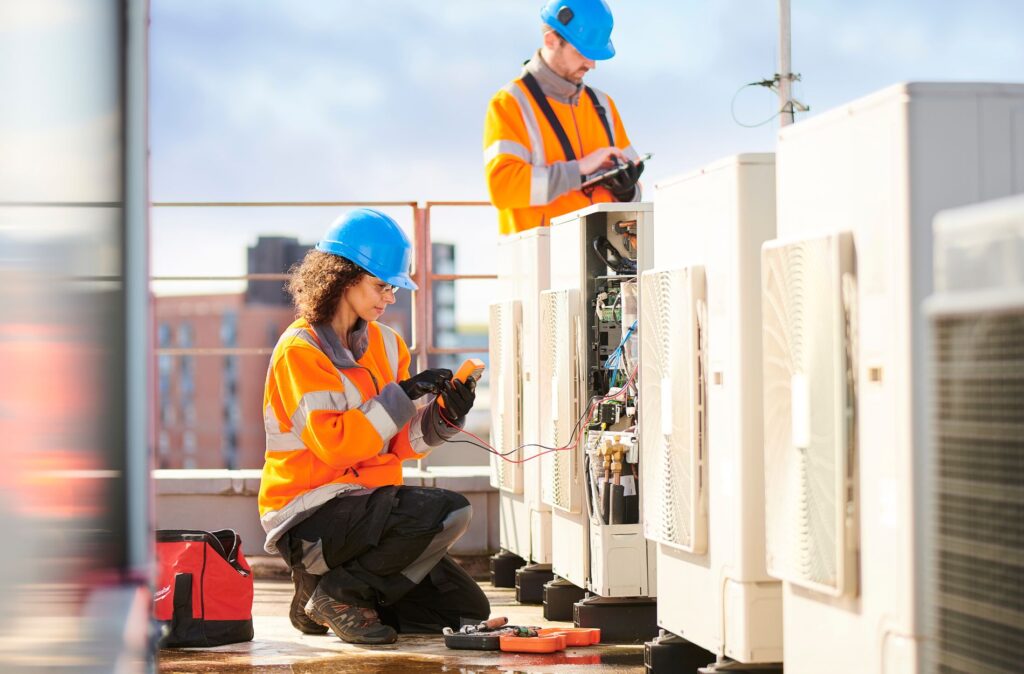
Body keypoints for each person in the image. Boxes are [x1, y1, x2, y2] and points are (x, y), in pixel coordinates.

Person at [257, 208, 490, 644]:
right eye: (382, 285)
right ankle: (339, 593)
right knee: (449, 510)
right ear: (343, 279)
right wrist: (399, 396)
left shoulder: (387, 342)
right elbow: (337, 446)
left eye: (393, 287)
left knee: (465, 611)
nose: (390, 297)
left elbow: (401, 444)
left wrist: (445, 416)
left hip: (368, 509)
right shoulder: (300, 351)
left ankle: (320, 594)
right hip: (310, 513)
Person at [483, 0, 644, 235]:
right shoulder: (510, 103)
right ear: (550, 40)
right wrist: (578, 169)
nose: (592, 64)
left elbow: (637, 193)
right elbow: (503, 189)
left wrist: (627, 191)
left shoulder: (603, 105)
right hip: (540, 262)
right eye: (582, 51)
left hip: (602, 261)